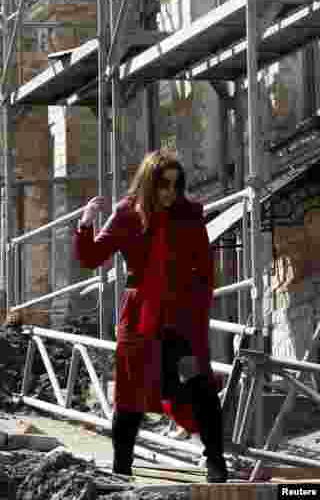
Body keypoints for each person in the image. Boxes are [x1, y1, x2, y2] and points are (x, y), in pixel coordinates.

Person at [73, 149, 227, 483]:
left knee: (200, 388)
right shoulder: (127, 214)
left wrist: (198, 312)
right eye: (163, 185)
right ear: (149, 183)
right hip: (140, 318)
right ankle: (121, 473)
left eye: (175, 185)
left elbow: (204, 270)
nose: (170, 192)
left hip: (181, 320)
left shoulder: (190, 214)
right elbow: (91, 256)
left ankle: (216, 465)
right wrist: (86, 223)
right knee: (130, 399)